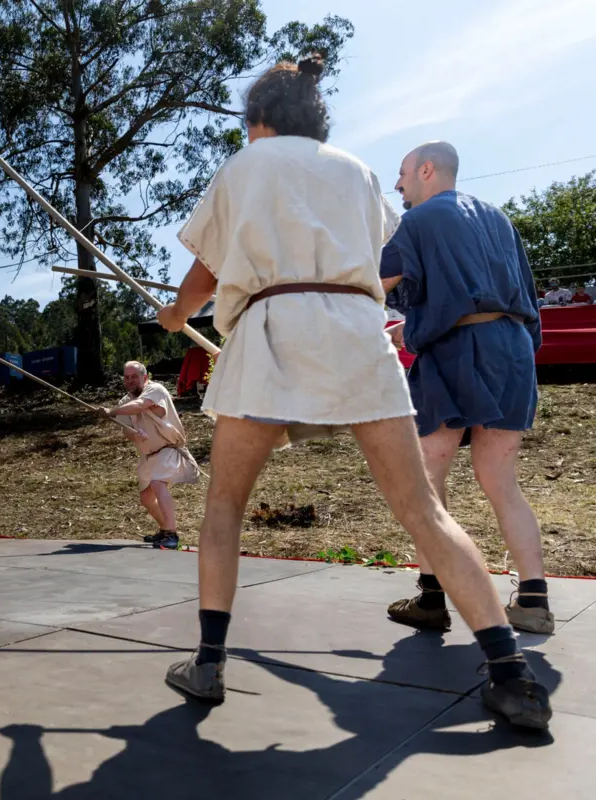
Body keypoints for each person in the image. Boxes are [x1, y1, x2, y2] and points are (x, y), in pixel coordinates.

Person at [154, 56, 551, 729]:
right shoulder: (359, 171)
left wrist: (173, 316)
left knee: (224, 504)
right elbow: (374, 261)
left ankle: (210, 663)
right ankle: (512, 674)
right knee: (424, 510)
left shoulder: (246, 166)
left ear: (258, 122)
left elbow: (203, 275)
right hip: (357, 336)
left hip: (272, 329)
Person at [380, 141, 554, 637]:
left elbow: (372, 286)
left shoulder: (416, 222)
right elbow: (520, 296)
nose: (398, 185)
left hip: (456, 351)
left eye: (403, 173)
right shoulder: (500, 219)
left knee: (427, 473)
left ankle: (432, 598)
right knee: (501, 480)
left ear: (427, 170)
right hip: (513, 349)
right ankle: (535, 600)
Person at [100, 361, 199, 550]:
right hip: (149, 456)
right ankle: (164, 530)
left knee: (158, 484)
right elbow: (126, 429)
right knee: (146, 498)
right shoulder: (123, 402)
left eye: (134, 377)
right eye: (126, 377)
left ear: (144, 377)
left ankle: (171, 535)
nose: (130, 381)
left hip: (169, 448)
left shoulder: (156, 390)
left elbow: (140, 405)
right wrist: (134, 434)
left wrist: (111, 411)